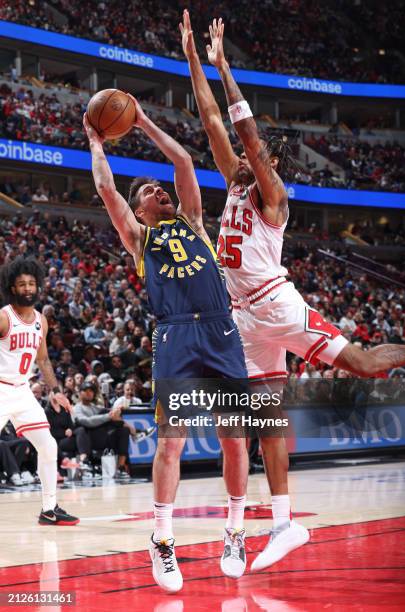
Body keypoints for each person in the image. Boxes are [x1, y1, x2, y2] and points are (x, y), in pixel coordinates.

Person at [180, 10, 405, 572]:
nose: (241, 159)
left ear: (270, 165)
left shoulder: (272, 195)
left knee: (361, 364)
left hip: (277, 306)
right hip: (243, 318)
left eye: (255, 158)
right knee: (268, 420)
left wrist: (227, 67)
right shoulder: (234, 181)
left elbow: (246, 135)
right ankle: (284, 524)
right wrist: (193, 61)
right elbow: (213, 122)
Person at [83, 97, 248, 593]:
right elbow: (106, 188)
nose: (161, 190)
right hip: (175, 333)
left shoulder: (194, 220)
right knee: (171, 442)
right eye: (152, 192)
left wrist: (142, 120)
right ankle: (161, 537)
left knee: (236, 438)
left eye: (161, 189)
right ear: (141, 209)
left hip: (221, 329)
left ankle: (236, 530)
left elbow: (183, 162)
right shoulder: (139, 238)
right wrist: (96, 142)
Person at [0, 257, 79, 525]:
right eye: (21, 284)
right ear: (12, 287)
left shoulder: (40, 321)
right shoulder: (3, 317)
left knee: (48, 446)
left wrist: (55, 390)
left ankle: (49, 509)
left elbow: (43, 360)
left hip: (23, 392)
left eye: (31, 283)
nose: (27, 288)